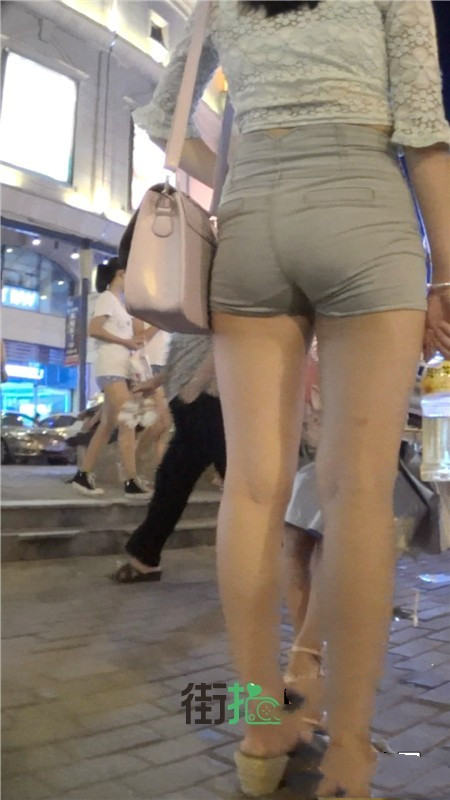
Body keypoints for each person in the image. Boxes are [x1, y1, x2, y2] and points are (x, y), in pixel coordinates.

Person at [133, 1, 450, 796]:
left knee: (251, 488)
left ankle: (257, 726)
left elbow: (160, 116)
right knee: (356, 495)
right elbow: (422, 129)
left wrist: (241, 173)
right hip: (364, 211)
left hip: (250, 223)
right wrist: (446, 270)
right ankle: (349, 751)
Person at [111, 333, 226, 583]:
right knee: (172, 481)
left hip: (208, 400)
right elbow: (184, 353)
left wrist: (195, 387)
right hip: (195, 401)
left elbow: (225, 337)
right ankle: (145, 557)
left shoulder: (205, 309)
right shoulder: (185, 318)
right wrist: (158, 381)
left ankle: (275, 557)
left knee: (178, 481)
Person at [70, 257, 156, 497]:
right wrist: (125, 342)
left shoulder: (119, 303)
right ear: (121, 274)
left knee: (108, 424)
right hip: (110, 369)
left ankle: (83, 474)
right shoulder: (107, 299)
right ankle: (130, 480)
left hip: (118, 369)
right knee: (129, 421)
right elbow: (94, 329)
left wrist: (132, 341)